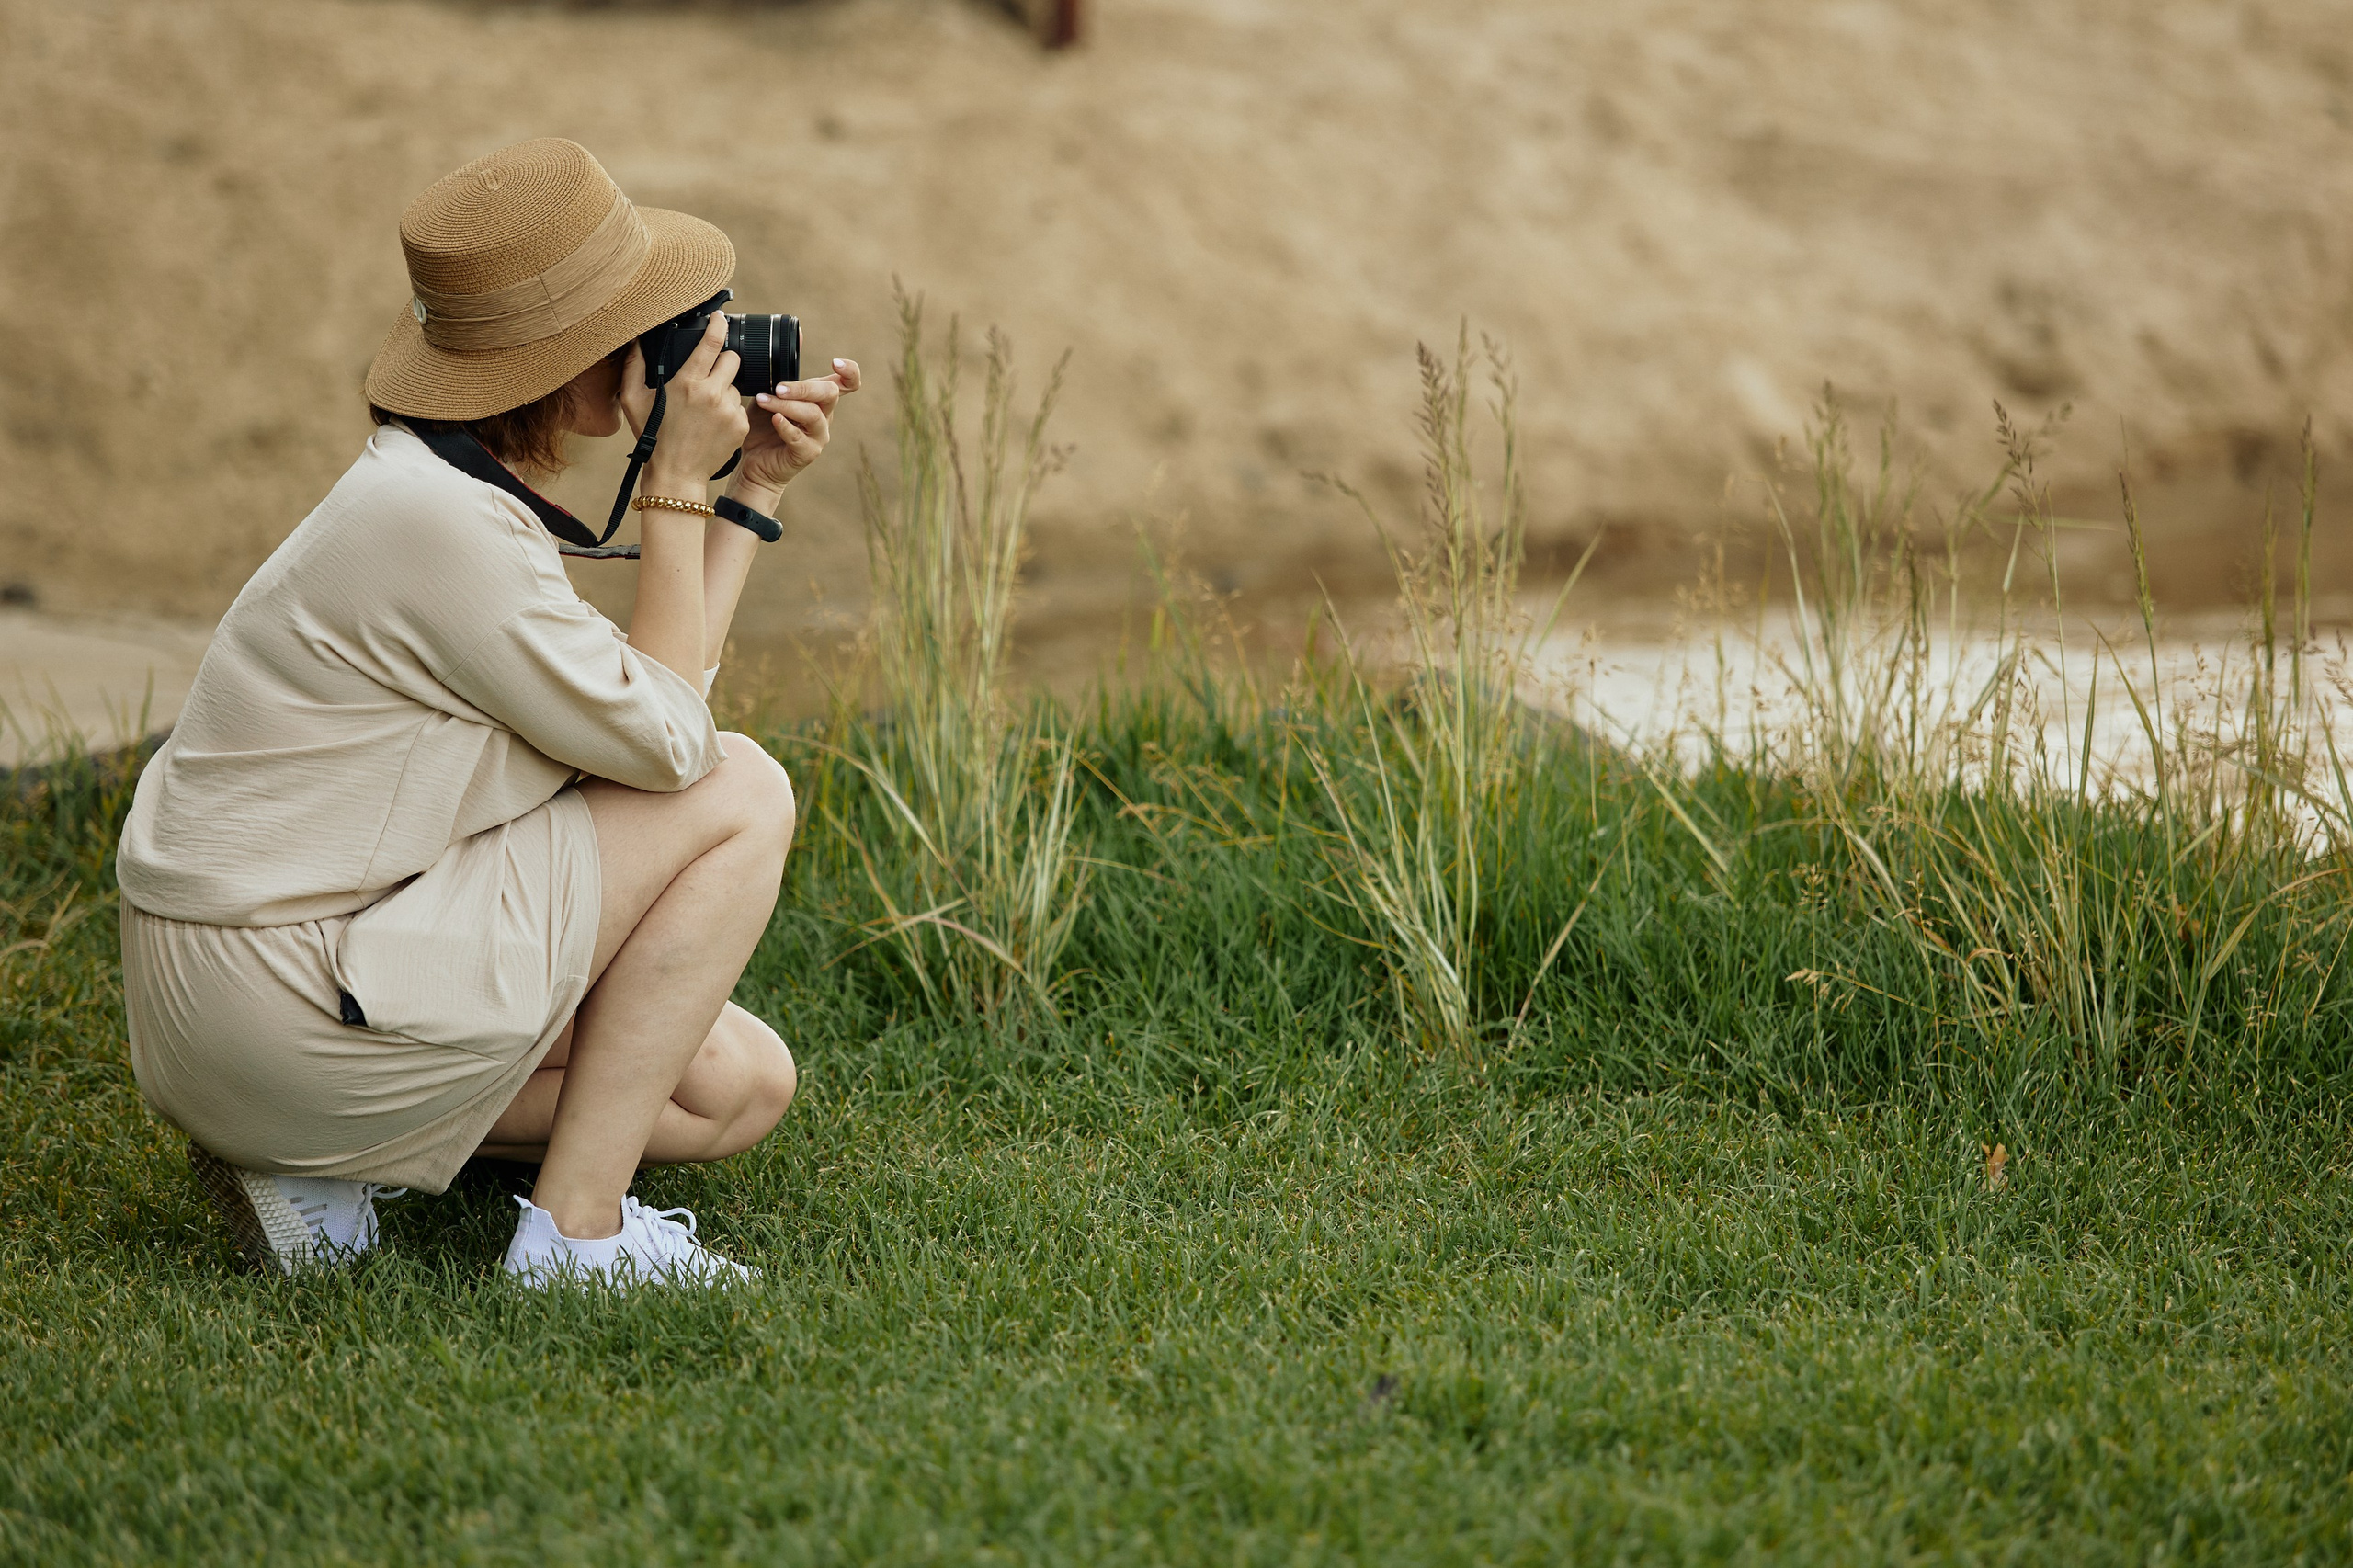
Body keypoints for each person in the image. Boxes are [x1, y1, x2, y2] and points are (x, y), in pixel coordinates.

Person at [114, 138, 858, 1286]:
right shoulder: (441, 529)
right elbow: (679, 752)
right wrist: (672, 483)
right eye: (651, 321)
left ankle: (314, 1156)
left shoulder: (432, 497)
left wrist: (744, 491)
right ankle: (575, 1234)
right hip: (275, 997)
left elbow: (653, 713)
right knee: (747, 791)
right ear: (573, 359)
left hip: (256, 994)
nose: (682, 343)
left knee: (733, 1085)